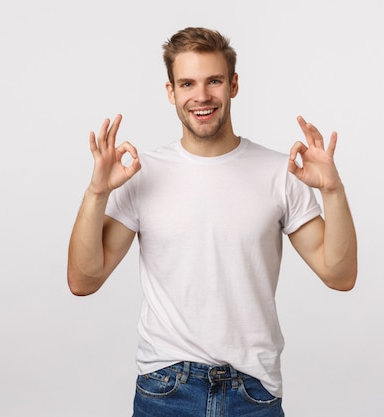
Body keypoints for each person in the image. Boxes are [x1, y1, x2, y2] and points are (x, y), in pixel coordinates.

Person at [67, 26, 357, 417]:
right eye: (187, 83)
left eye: (214, 81)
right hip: (166, 389)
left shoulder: (279, 172)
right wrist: (97, 193)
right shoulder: (142, 173)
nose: (201, 96)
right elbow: (83, 280)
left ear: (233, 85)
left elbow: (340, 275)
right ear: (171, 92)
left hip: (253, 392)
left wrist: (333, 192)